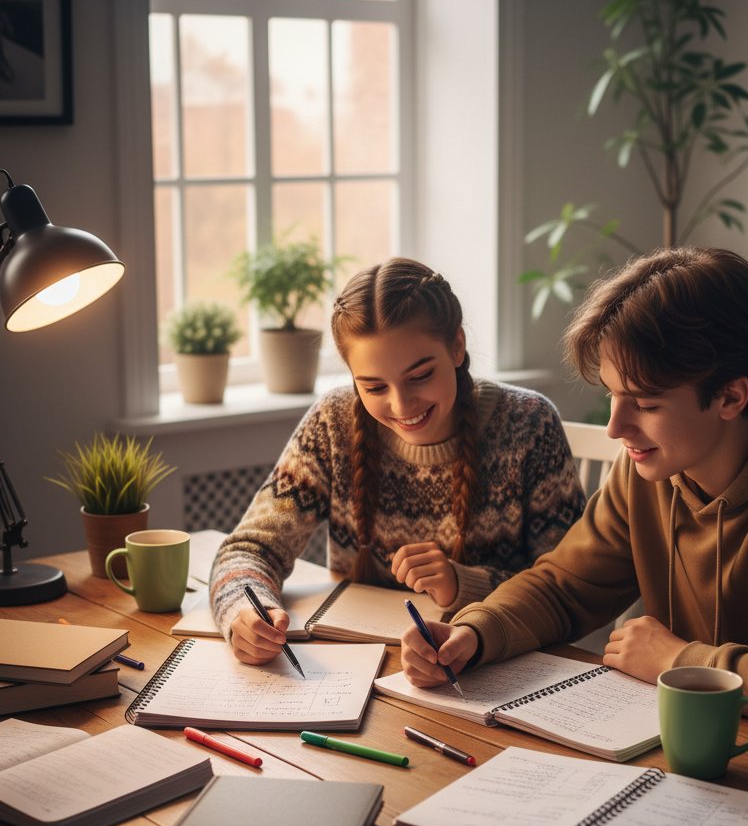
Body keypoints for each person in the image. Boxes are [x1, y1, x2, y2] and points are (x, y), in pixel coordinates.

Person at [401, 246, 748, 741]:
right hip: (714, 740)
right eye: (612, 396)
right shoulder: (652, 470)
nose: (615, 427)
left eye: (645, 404)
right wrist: (475, 632)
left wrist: (676, 661)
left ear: (730, 396)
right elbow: (563, 587)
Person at [211, 256, 586, 664]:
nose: (401, 404)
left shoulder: (528, 423)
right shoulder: (334, 422)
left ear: (457, 346)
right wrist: (244, 612)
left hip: (495, 668)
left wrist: (464, 584)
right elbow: (250, 548)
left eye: (420, 375)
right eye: (373, 386)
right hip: (355, 665)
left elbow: (569, 586)